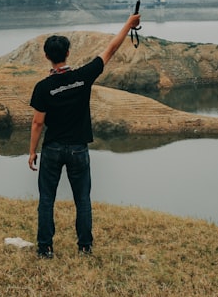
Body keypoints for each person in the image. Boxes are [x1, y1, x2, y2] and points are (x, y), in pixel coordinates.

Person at [27, 13, 142, 259]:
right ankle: (85, 247)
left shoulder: (43, 87)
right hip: (78, 148)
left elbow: (38, 122)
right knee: (83, 199)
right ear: (67, 53)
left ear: (47, 56)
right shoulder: (83, 77)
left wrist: (31, 151)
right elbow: (111, 49)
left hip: (53, 149)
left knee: (47, 199)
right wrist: (129, 25)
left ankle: (45, 248)